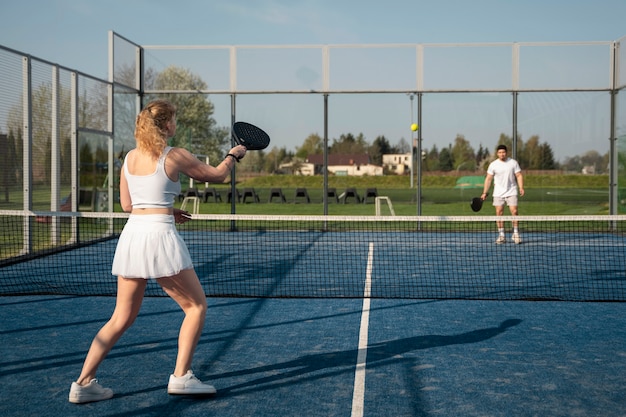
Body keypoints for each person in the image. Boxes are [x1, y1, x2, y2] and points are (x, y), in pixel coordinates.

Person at [69, 99, 247, 404]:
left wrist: (166, 207)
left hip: (133, 236)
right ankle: (181, 377)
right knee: (196, 307)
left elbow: (128, 205)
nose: (175, 124)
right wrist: (234, 154)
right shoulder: (174, 155)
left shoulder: (128, 158)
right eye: (174, 120)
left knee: (121, 317)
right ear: (166, 125)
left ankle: (83, 383)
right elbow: (217, 175)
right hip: (158, 237)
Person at [481, 144, 524, 244]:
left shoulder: (513, 163)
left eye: (503, 152)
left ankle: (516, 234)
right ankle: (501, 235)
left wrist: (521, 187)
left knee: (514, 211)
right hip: (498, 193)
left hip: (512, 191)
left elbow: (519, 175)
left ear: (506, 153)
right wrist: (484, 192)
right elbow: (488, 179)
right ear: (497, 153)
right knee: (499, 213)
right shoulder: (493, 165)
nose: (502, 154)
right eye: (500, 152)